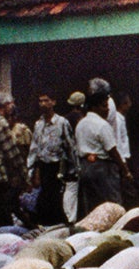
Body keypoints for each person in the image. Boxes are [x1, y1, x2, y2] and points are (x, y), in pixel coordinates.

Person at [74, 84, 126, 212]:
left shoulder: (81, 124)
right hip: (102, 168)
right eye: (104, 106)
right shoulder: (102, 125)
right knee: (112, 205)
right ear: (94, 107)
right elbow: (112, 150)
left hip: (85, 167)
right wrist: (125, 170)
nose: (107, 110)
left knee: (92, 206)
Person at [25, 91, 71, 222]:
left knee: (55, 197)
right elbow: (34, 148)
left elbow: (69, 146)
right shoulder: (38, 125)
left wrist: (73, 168)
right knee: (44, 196)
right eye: (41, 101)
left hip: (57, 166)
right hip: (43, 167)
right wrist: (30, 170)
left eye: (46, 100)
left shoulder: (62, 123)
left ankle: (60, 223)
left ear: (53, 102)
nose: (43, 104)